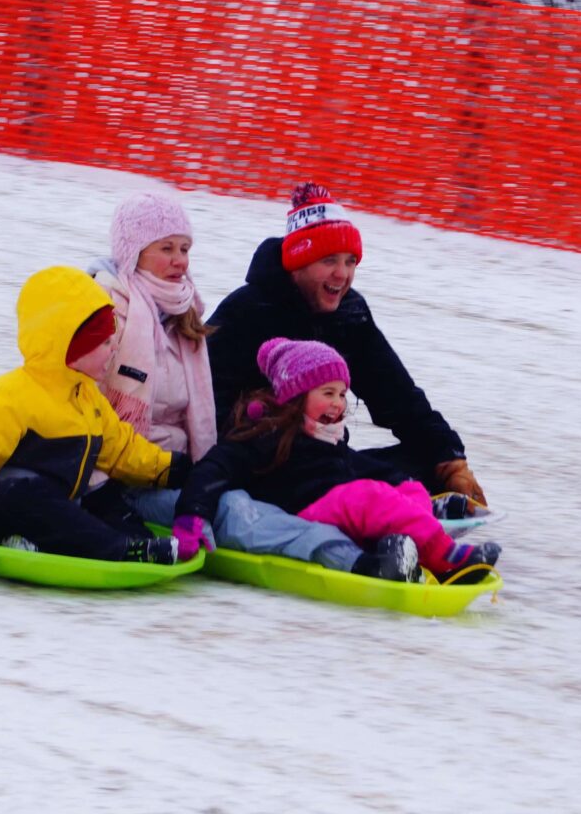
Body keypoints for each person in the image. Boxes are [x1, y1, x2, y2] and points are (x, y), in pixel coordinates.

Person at [86, 192, 387, 578]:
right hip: (123, 481)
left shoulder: (183, 314)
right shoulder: (105, 315)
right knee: (237, 512)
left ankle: (387, 529)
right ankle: (356, 561)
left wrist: (209, 473)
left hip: (184, 469)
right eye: (167, 249)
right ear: (134, 252)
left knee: (268, 489)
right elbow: (82, 408)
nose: (181, 260)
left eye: (185, 248)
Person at [208, 182, 488, 506]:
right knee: (361, 481)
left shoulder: (349, 312)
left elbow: (396, 394)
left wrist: (449, 459)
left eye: (350, 261)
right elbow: (205, 401)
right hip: (254, 460)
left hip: (326, 458)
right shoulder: (248, 310)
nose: (342, 274)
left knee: (424, 464)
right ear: (298, 262)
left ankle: (406, 505)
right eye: (329, 260)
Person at [172, 339, 501, 585]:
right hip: (301, 510)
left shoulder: (328, 436)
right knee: (371, 497)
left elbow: (354, 464)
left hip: (334, 504)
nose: (337, 403)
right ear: (296, 395)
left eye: (342, 394)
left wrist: (406, 484)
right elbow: (215, 467)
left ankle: (399, 550)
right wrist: (192, 514)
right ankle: (446, 560)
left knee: (405, 489)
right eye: (327, 393)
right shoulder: (267, 434)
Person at [0, 265, 188, 572]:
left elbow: (120, 449)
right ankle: (118, 550)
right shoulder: (10, 396)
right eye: (104, 343)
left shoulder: (87, 397)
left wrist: (170, 468)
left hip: (63, 505)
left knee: (104, 494)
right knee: (25, 494)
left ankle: (134, 542)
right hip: (8, 505)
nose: (113, 350)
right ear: (70, 344)